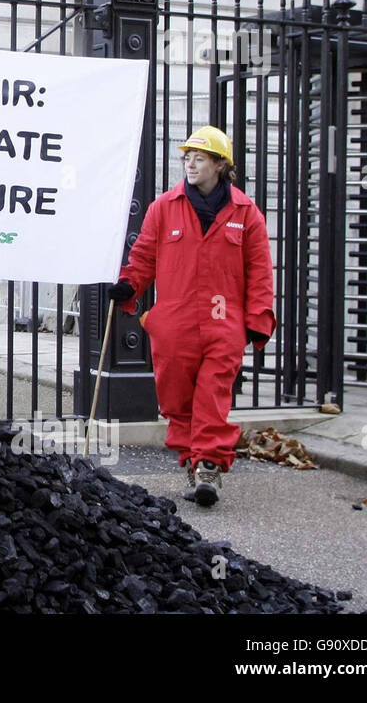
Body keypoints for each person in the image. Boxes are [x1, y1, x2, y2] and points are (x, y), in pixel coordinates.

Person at [110, 125, 274, 507]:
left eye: (199, 157)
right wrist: (128, 286)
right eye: (187, 157)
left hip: (224, 323)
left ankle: (209, 467)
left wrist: (257, 318)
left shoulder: (246, 213)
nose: (190, 163)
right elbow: (144, 257)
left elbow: (260, 270)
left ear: (220, 165)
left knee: (213, 396)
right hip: (175, 323)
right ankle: (191, 459)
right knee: (177, 399)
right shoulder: (163, 208)